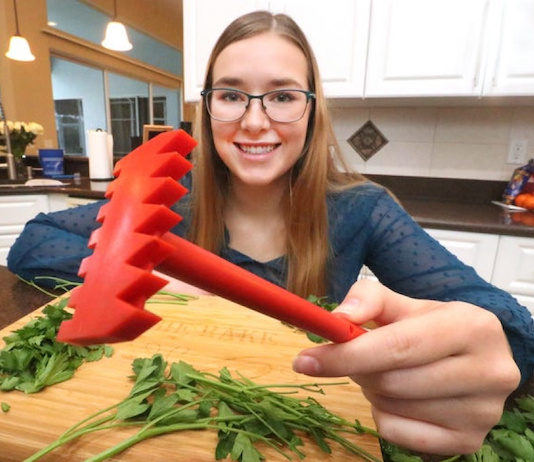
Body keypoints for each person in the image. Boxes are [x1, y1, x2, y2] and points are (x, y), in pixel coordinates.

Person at [7, 11, 534, 456]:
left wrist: (490, 345)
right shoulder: (177, 196)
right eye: (232, 95)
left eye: (282, 97)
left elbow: (503, 319)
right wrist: (162, 280)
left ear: (311, 108)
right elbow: (34, 241)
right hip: (189, 417)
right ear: (207, 107)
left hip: (303, 424)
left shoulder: (361, 208)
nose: (255, 121)